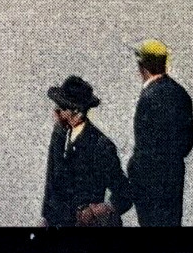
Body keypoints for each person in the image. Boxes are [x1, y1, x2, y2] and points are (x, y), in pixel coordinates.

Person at [40, 76, 134, 228]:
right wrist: (45, 218)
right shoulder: (58, 134)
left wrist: (100, 211)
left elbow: (124, 193)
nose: (55, 112)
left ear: (77, 112)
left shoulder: (100, 145)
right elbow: (51, 184)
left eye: (62, 108)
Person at [126, 39, 193, 227]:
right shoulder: (181, 93)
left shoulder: (148, 98)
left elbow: (143, 145)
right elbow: (188, 140)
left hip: (149, 183)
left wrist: (133, 169)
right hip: (173, 177)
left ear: (142, 67)